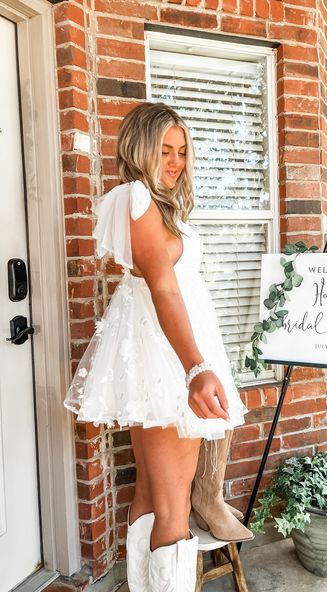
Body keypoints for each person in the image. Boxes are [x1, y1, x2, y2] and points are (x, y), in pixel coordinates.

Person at [64, 102, 254, 591]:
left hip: (160, 351)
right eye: (164, 151)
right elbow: (164, 288)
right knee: (172, 509)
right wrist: (196, 368)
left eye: (182, 151)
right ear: (139, 150)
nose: (176, 161)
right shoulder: (136, 198)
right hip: (168, 359)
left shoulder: (153, 202)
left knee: (151, 493)